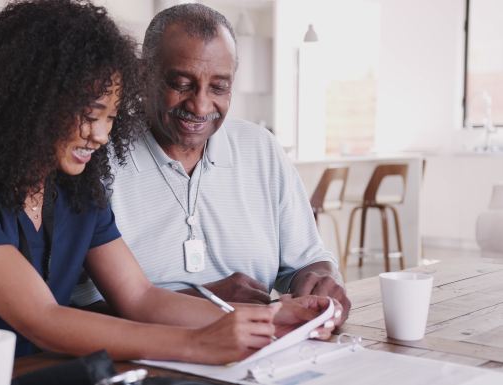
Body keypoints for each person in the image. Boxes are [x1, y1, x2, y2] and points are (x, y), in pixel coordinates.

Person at [0, 1, 341, 382]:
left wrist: (274, 318)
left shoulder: (78, 189)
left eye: (110, 118)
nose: (99, 136)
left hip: (54, 373)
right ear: (32, 103)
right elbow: (44, 319)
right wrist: (197, 345)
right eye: (89, 116)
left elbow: (141, 297)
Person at [71, 3, 351, 321]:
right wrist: (206, 302)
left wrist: (320, 283)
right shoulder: (96, 158)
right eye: (181, 84)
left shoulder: (262, 150)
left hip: (258, 350)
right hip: (140, 354)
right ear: (142, 74)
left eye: (219, 87)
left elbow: (308, 261)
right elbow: (74, 309)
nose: (201, 105)